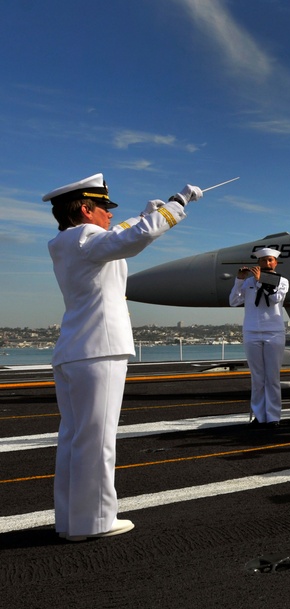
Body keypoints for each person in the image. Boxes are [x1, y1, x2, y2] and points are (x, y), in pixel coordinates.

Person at [44, 173, 201, 541]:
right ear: (85, 209)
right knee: (98, 440)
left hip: (74, 350)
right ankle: (96, 521)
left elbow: (122, 233)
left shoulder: (68, 241)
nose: (110, 214)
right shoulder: (87, 238)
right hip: (100, 349)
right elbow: (135, 237)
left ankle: (71, 520)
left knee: (74, 438)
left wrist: (152, 209)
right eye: (104, 207)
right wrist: (177, 205)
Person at [230, 248, 288, 427]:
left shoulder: (282, 281)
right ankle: (259, 415)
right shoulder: (248, 282)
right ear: (259, 263)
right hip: (252, 331)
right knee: (257, 377)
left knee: (272, 376)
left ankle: (273, 416)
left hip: (274, 332)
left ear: (275, 263)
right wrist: (239, 280)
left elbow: (275, 299)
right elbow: (233, 301)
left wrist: (260, 281)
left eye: (270, 260)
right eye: (264, 261)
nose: (267, 263)